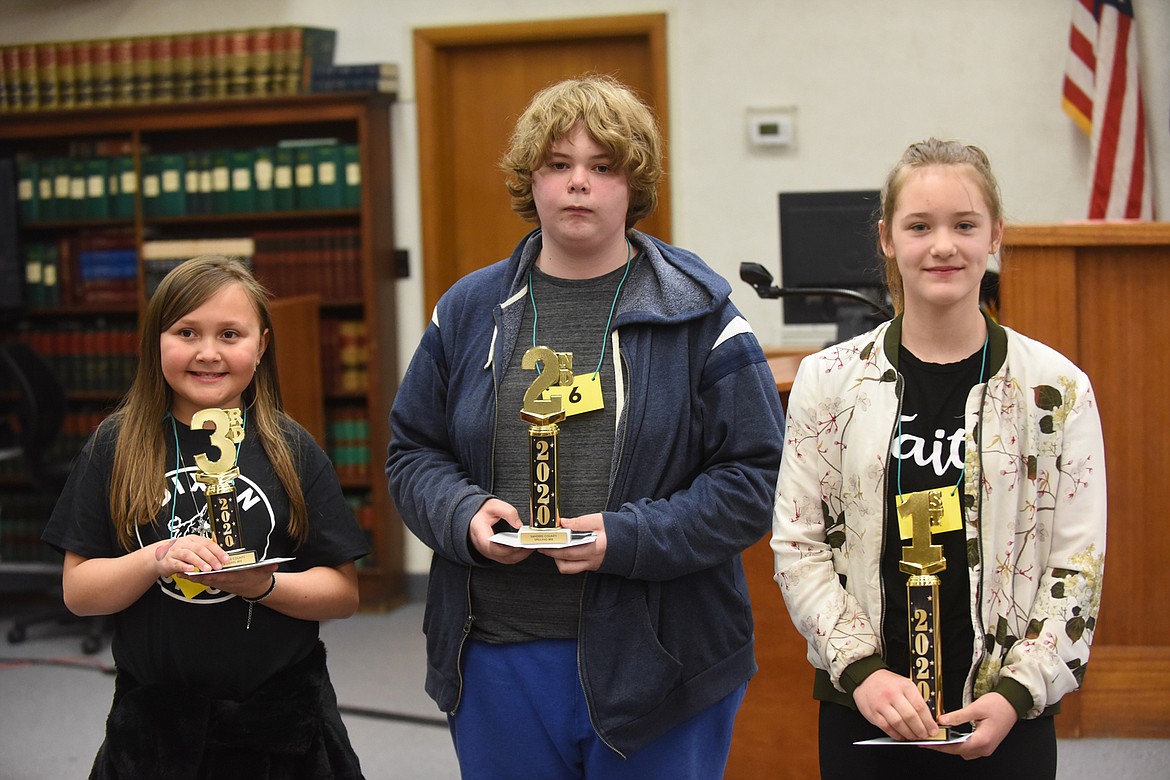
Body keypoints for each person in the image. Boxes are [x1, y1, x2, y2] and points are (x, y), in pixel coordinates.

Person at [386, 75, 785, 779]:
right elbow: (413, 452)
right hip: (496, 656)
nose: (579, 185)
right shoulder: (469, 310)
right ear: (529, 180)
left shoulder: (703, 315)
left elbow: (754, 481)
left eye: (602, 168)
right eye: (558, 165)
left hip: (660, 660)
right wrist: (463, 513)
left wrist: (626, 537)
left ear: (634, 186)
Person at [771, 138, 1107, 778]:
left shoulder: (1055, 390)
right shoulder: (829, 382)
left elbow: (1076, 564)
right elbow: (798, 544)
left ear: (996, 235)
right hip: (865, 709)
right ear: (888, 240)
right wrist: (863, 674)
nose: (943, 245)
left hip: (1007, 713)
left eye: (965, 225)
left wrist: (1016, 694)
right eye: (919, 226)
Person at [42, 255, 368, 779]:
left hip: (282, 726)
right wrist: (157, 559)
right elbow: (79, 593)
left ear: (261, 345)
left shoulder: (292, 449)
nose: (209, 353)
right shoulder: (114, 447)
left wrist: (261, 587)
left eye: (231, 334)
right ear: (156, 343)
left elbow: (344, 593)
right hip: (155, 729)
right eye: (187, 332)